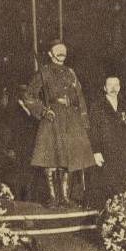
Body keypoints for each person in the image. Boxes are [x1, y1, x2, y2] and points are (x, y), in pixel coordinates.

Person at [23, 40, 95, 208]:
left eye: (64, 50)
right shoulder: (44, 72)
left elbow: (80, 96)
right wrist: (43, 111)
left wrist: (84, 119)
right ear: (50, 53)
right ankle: (53, 197)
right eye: (58, 50)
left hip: (71, 118)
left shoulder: (71, 73)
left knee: (67, 159)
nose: (62, 53)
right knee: (51, 159)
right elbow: (28, 96)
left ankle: (65, 197)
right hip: (53, 118)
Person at [88, 76, 126, 205]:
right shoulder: (97, 106)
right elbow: (93, 131)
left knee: (123, 189)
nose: (113, 88)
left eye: (116, 85)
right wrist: (96, 151)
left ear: (120, 87)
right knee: (107, 189)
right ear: (104, 88)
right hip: (106, 154)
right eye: (110, 85)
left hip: (124, 155)